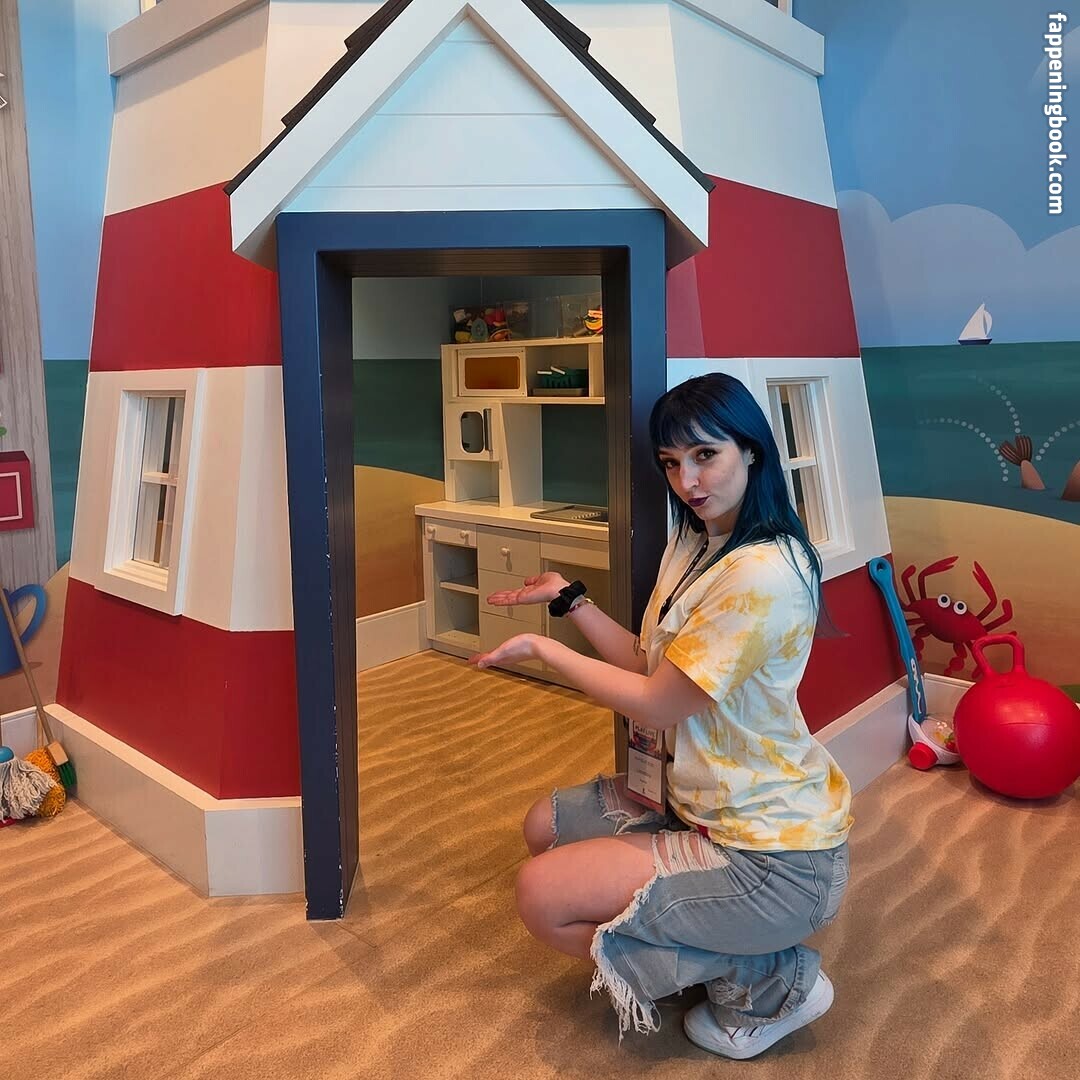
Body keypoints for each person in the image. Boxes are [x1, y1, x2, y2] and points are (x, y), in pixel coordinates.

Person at [468, 372, 852, 1059]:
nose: (687, 481)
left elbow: (657, 702)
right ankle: (709, 948)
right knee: (543, 830)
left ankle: (774, 978)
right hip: (695, 801)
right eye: (672, 463)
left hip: (772, 854)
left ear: (752, 450)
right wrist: (569, 600)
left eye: (706, 455)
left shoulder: (762, 573)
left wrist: (544, 651)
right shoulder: (699, 542)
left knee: (541, 897)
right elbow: (652, 666)